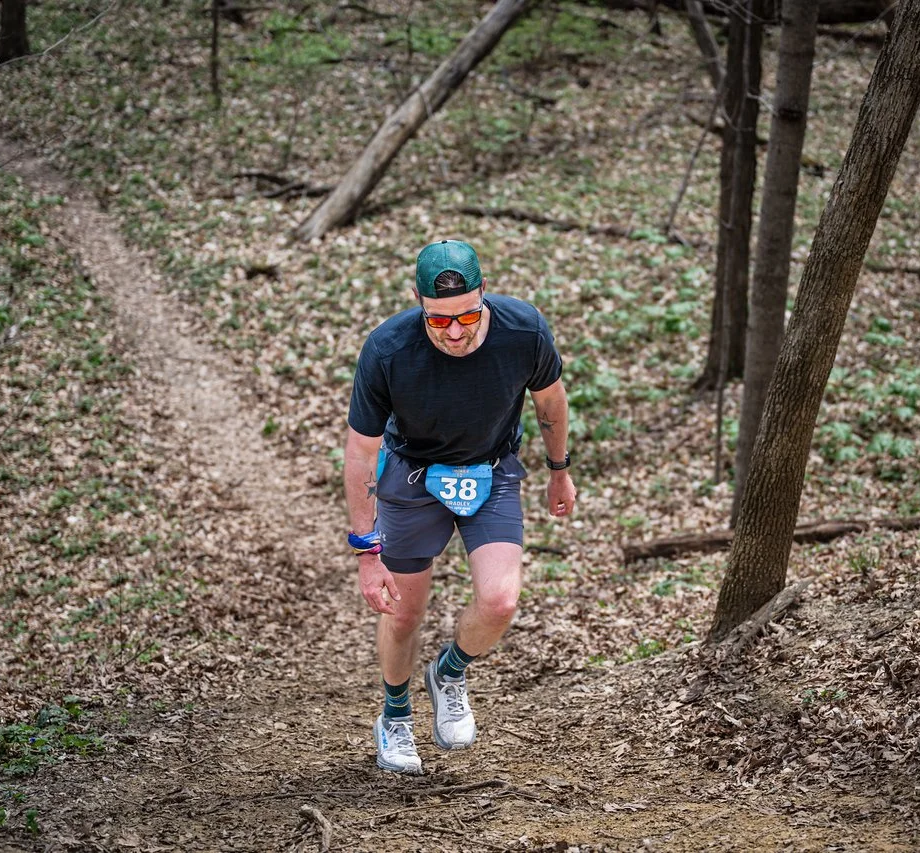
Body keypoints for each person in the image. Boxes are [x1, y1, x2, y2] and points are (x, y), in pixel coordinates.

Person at [343, 239, 576, 775]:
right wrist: (365, 549)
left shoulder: (524, 330)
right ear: (418, 304)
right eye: (438, 319)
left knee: (499, 601)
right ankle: (395, 715)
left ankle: (449, 673)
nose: (454, 330)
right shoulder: (388, 349)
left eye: (467, 315)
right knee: (404, 613)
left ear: (484, 295)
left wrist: (558, 470)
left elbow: (550, 399)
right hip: (411, 477)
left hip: (491, 473)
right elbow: (361, 450)